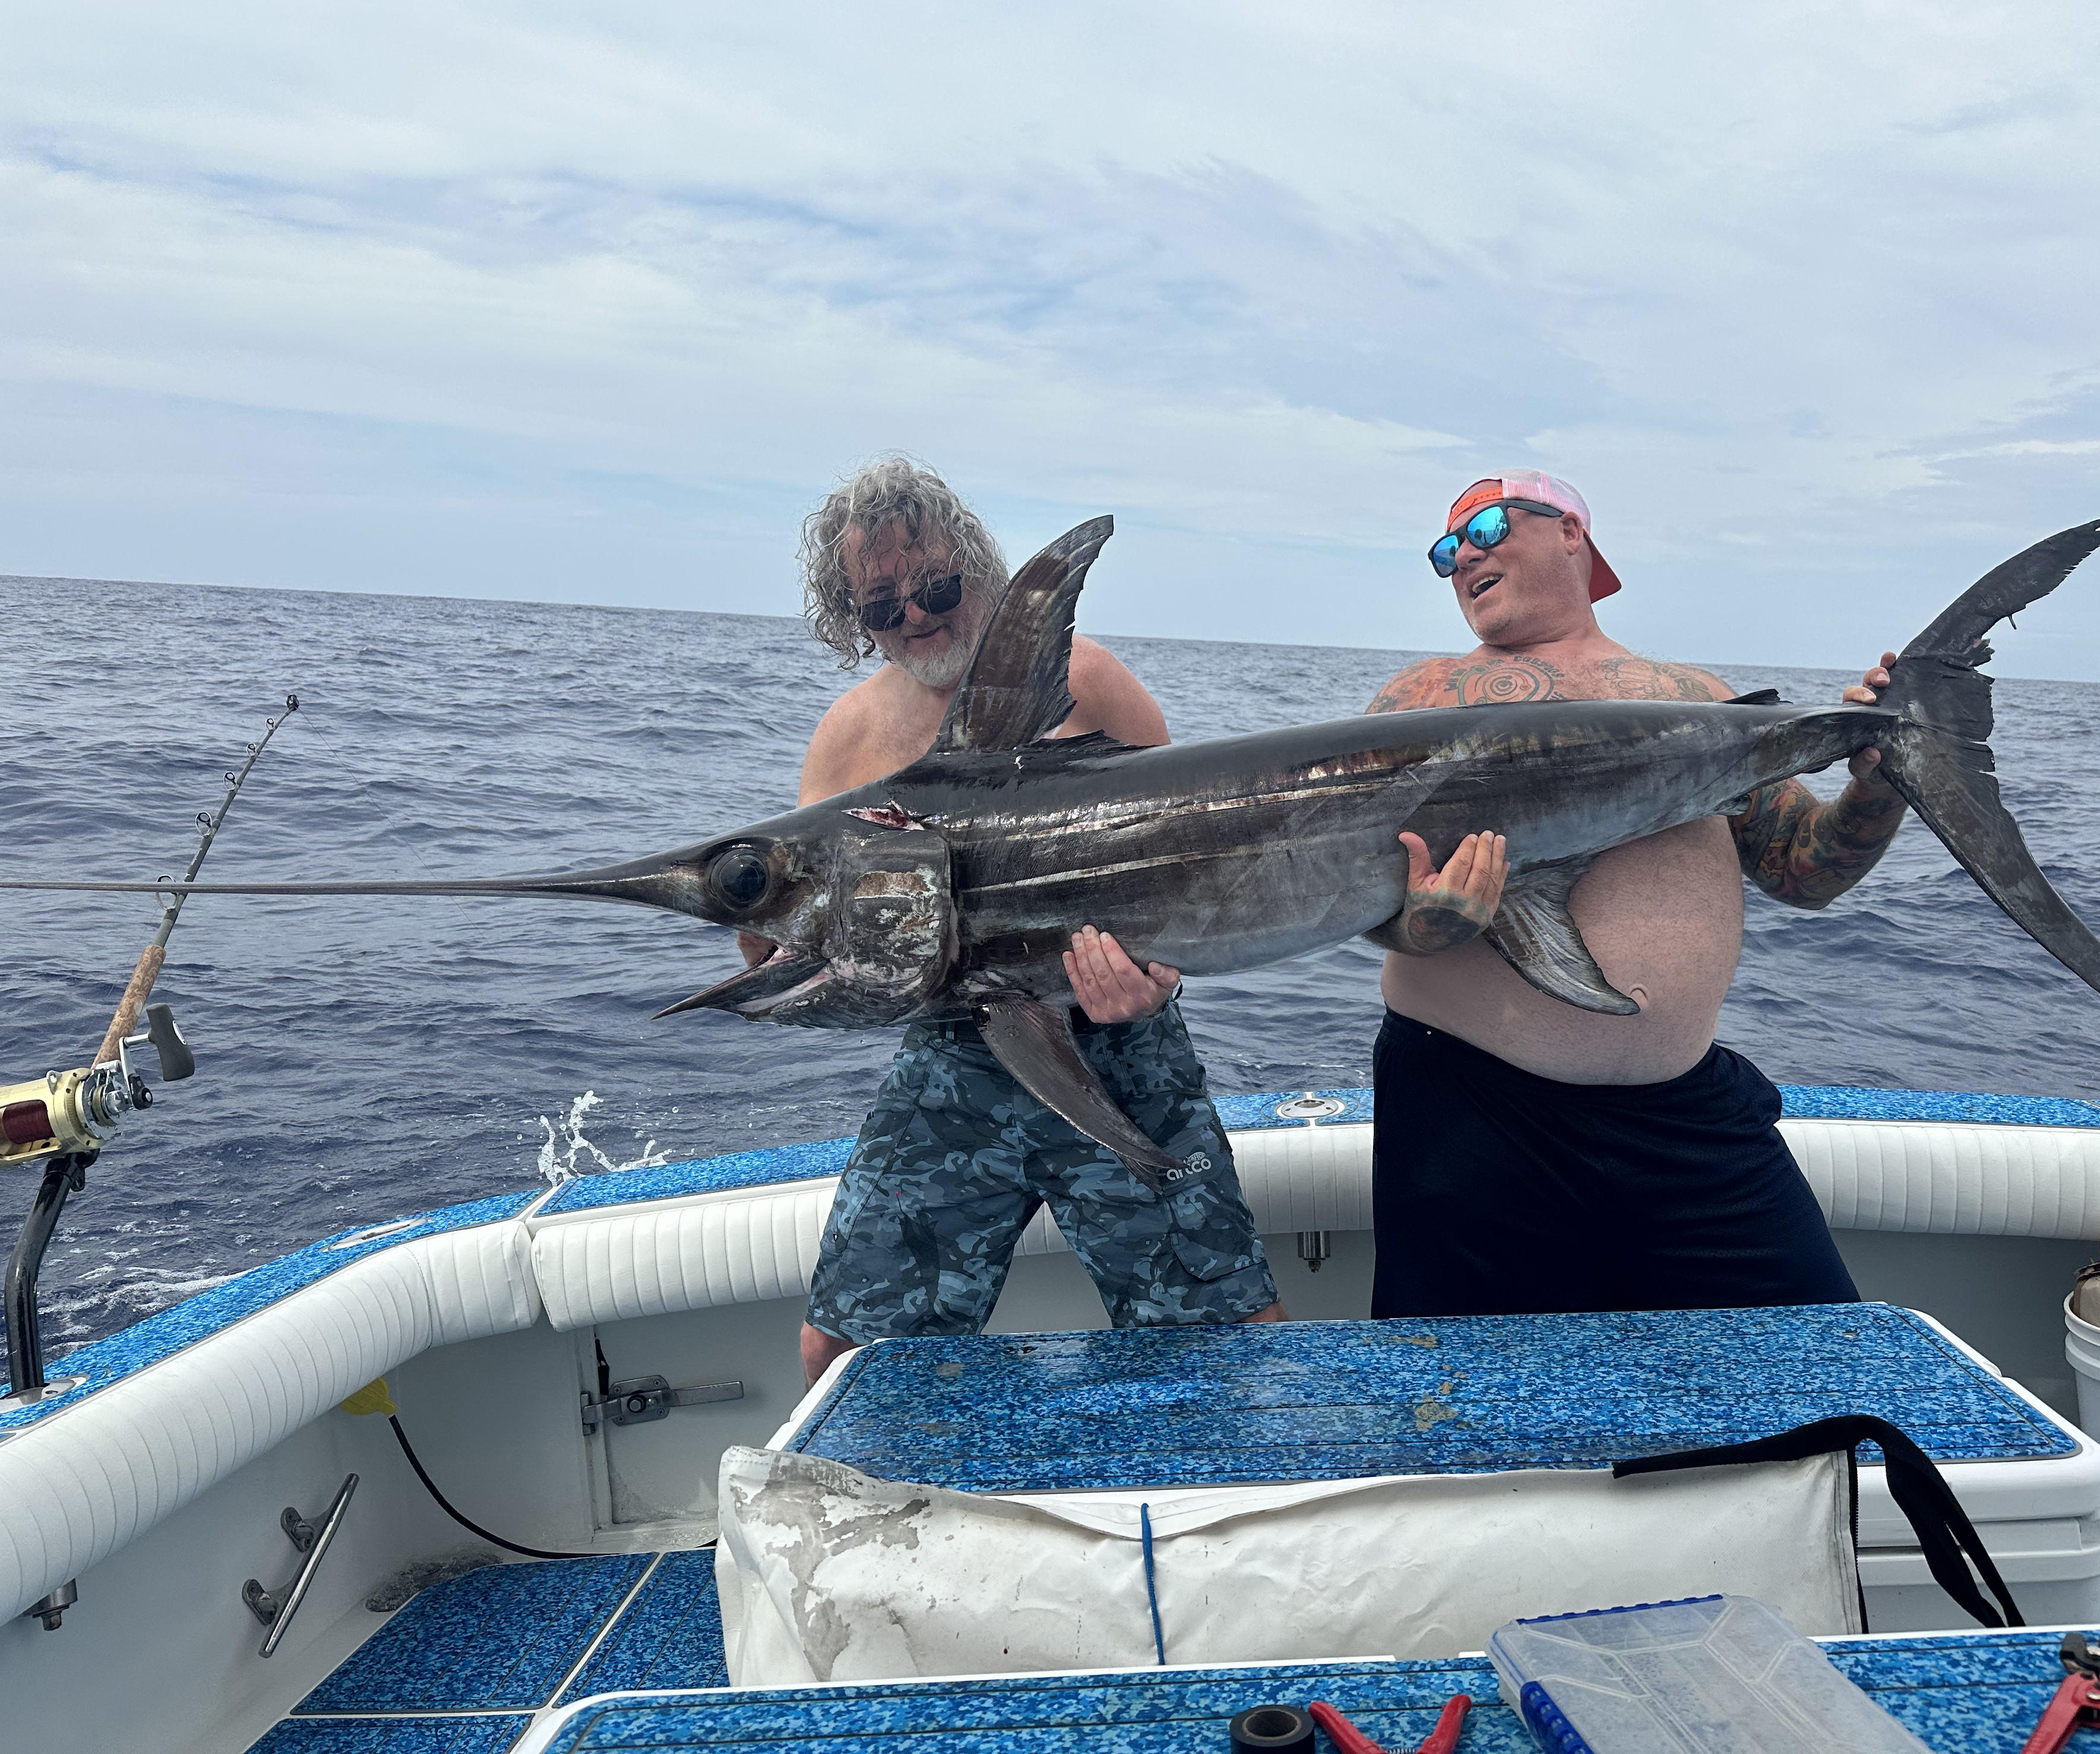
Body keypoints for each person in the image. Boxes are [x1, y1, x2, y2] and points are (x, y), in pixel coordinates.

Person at [761, 455, 1284, 1385]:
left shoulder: (1089, 680)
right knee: (839, 1350)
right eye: (882, 606)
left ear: (977, 566)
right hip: (957, 1051)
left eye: (934, 586)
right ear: (853, 621)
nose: (915, 616)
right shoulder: (849, 739)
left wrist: (1156, 980)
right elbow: (788, 943)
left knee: (1227, 1338)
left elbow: (1200, 852)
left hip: (1122, 1047)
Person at [1365, 470, 1905, 1319]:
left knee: (1817, 1369)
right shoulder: (1414, 700)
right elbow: (1362, 896)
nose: (1464, 555)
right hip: (1472, 1116)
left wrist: (1881, 785)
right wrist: (1421, 929)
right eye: (1445, 550)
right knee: (1469, 1411)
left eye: (1488, 526)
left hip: (1686, 1120)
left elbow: (1805, 871)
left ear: (1573, 534)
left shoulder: (1701, 700)